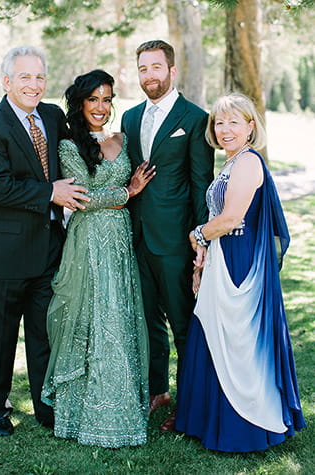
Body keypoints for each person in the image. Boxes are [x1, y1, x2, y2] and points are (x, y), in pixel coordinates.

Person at [175, 92, 306, 451]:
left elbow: (232, 218)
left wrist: (197, 234)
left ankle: (246, 426)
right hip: (224, 253)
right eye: (219, 122)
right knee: (216, 332)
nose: (224, 129)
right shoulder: (232, 163)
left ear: (251, 126)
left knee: (238, 339)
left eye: (234, 121)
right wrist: (204, 252)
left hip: (240, 259)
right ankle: (208, 419)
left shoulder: (248, 163)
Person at [0, 46, 90, 436]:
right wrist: (49, 193)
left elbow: (77, 150)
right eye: (25, 77)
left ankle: (46, 406)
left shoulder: (53, 117)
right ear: (7, 81)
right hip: (2, 253)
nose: (34, 85)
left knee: (43, 333)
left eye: (39, 77)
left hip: (47, 249)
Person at [41, 69, 155, 448]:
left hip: (121, 241)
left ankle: (123, 407)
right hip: (88, 243)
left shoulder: (121, 139)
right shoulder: (70, 146)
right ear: (80, 103)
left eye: (107, 99)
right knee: (92, 320)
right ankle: (82, 414)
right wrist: (129, 190)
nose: (101, 108)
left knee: (119, 318)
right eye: (93, 100)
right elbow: (83, 199)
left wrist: (130, 193)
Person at [121, 40, 215, 430]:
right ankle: (158, 391)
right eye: (143, 68)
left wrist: (199, 241)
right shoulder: (128, 118)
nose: (149, 76)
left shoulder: (194, 118)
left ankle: (189, 401)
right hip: (136, 238)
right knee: (147, 322)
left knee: (183, 324)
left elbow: (200, 183)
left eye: (156, 68)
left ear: (172, 71)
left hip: (177, 241)